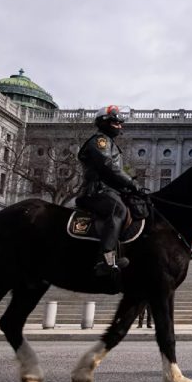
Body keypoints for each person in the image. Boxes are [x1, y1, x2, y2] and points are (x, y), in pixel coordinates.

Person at [77, 105, 136, 276]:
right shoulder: (99, 141)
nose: (119, 126)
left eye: (120, 123)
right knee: (117, 209)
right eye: (115, 122)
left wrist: (130, 187)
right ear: (104, 123)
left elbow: (114, 172)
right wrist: (131, 183)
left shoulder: (109, 143)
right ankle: (105, 260)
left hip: (108, 191)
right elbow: (107, 166)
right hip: (95, 192)